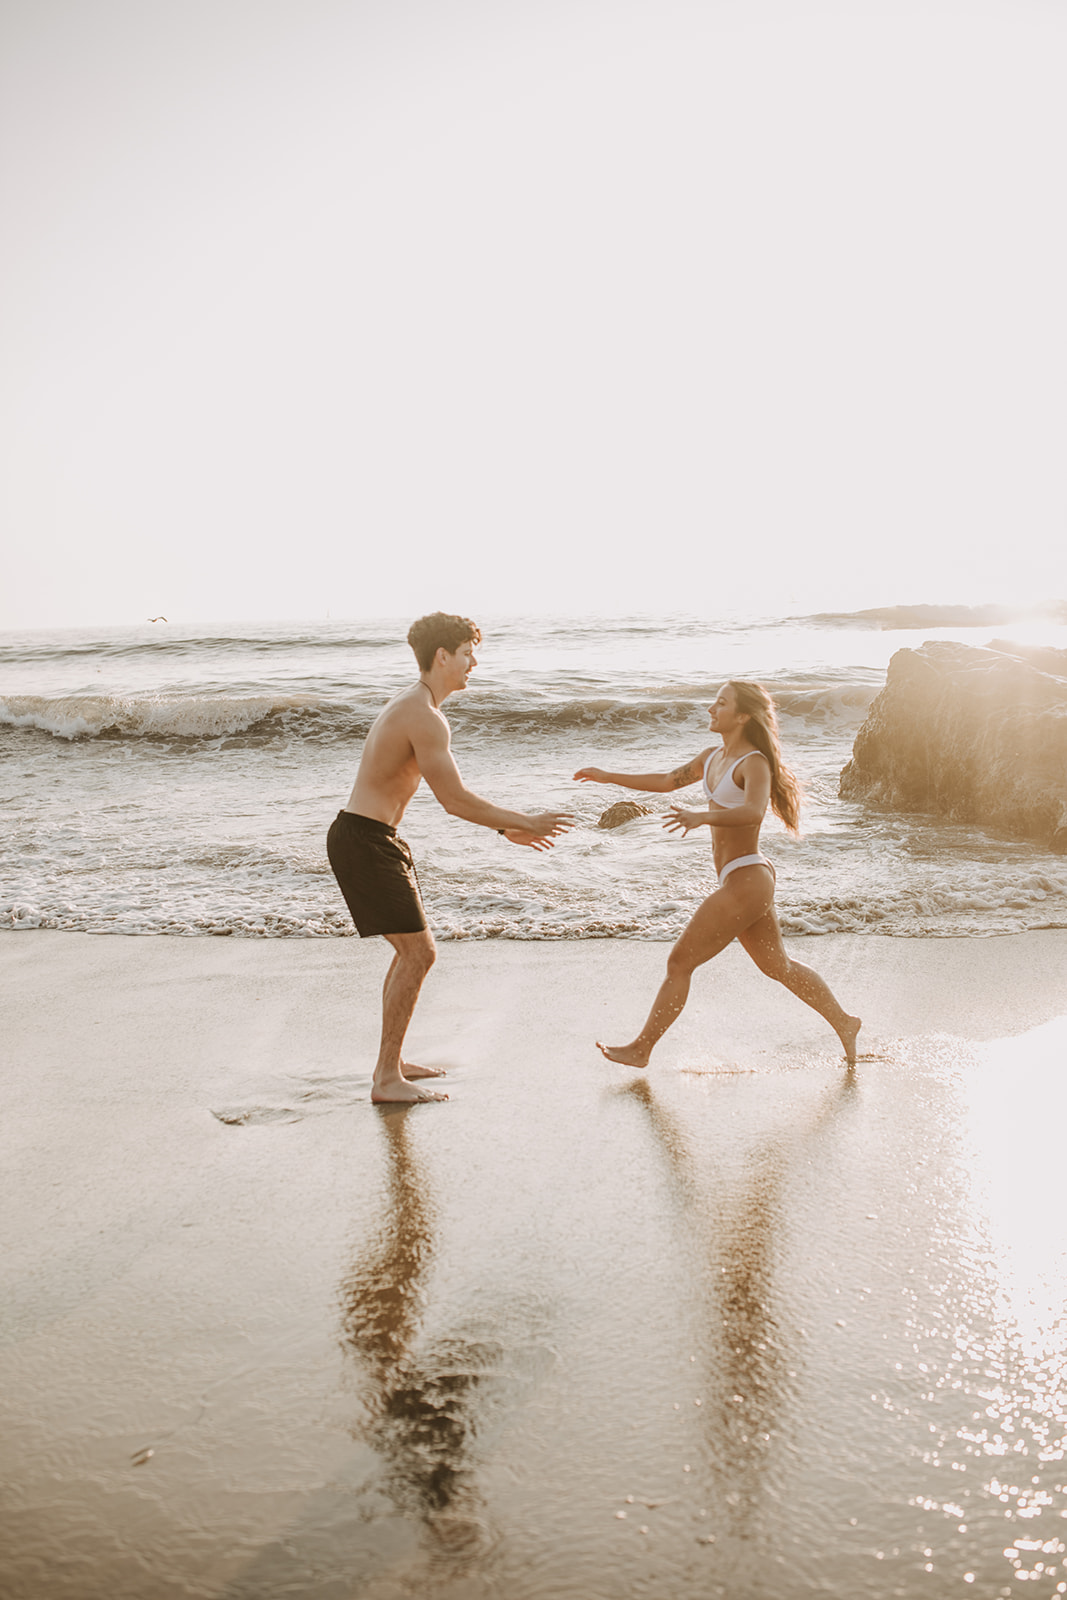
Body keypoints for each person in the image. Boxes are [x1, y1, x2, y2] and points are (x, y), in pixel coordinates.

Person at [328, 612, 573, 1104]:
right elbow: (454, 800)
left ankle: (390, 1065)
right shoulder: (423, 714)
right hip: (365, 841)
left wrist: (505, 828)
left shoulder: (415, 704)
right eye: (466, 654)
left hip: (370, 838)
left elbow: (451, 798)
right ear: (442, 657)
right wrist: (526, 821)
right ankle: (385, 1080)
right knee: (420, 953)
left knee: (410, 953)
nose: (473, 664)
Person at [574, 680, 860, 1066]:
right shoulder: (712, 758)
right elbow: (664, 782)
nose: (711, 709)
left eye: (721, 703)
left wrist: (702, 815)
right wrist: (609, 776)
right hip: (740, 880)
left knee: (679, 962)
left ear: (742, 716)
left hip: (749, 877)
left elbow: (755, 811)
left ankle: (642, 1048)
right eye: (714, 702)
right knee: (779, 967)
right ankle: (844, 1022)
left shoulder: (753, 763)